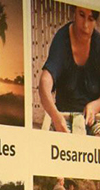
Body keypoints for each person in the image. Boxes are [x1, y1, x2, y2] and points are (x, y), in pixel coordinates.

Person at [39, 6, 100, 135]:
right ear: (74, 13)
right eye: (81, 15)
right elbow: (45, 81)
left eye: (91, 19)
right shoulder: (62, 39)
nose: (85, 25)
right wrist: (55, 115)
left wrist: (95, 105)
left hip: (95, 117)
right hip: (63, 116)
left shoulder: (98, 43)